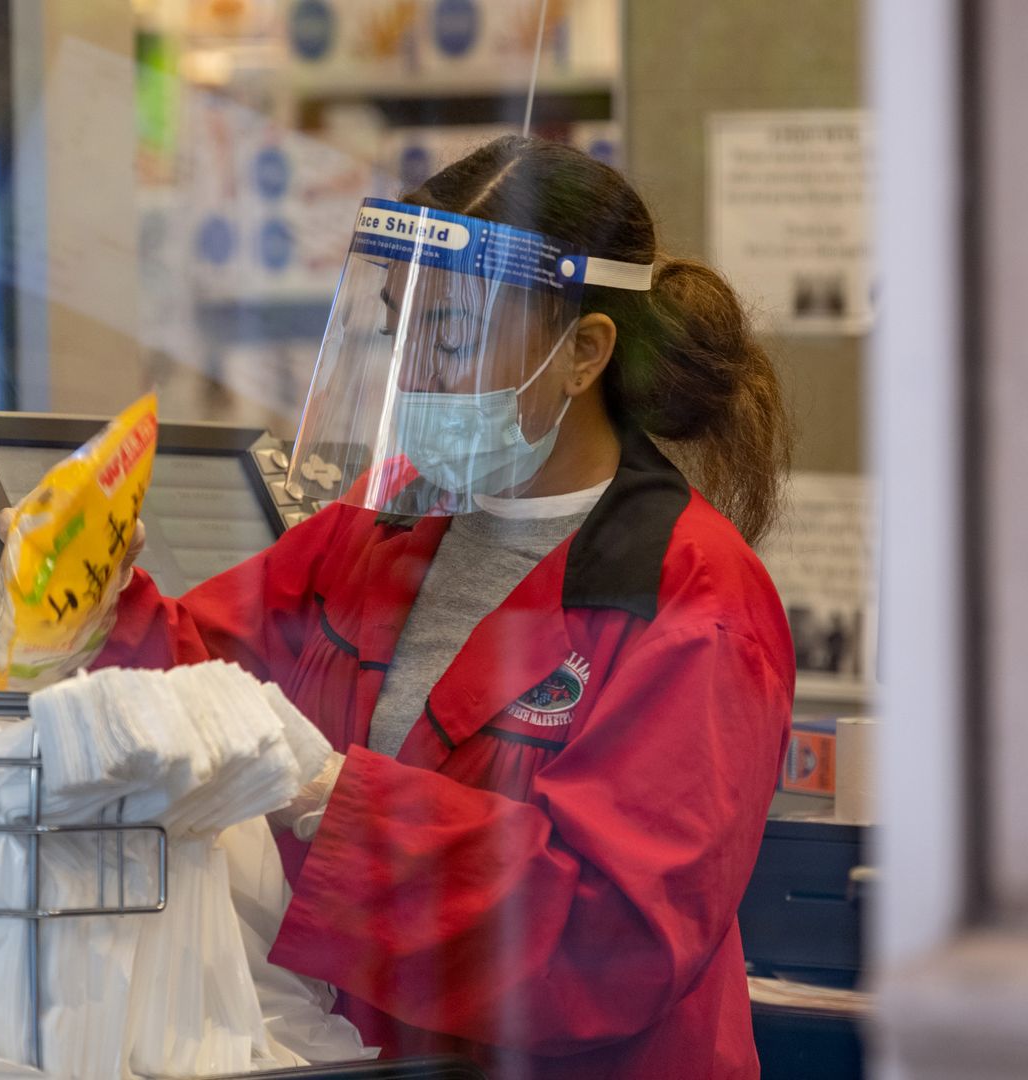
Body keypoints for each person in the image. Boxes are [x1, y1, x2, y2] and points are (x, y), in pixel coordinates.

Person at [93, 136, 795, 1078]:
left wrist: (333, 800)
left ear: (583, 353)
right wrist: (96, 605)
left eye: (452, 336)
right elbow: (201, 673)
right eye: (398, 329)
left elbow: (607, 942)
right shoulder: (383, 528)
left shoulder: (690, 599)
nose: (410, 374)